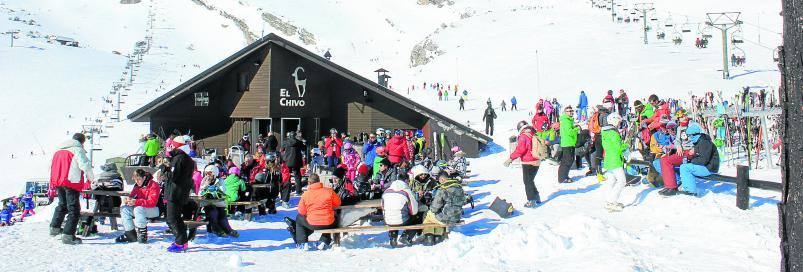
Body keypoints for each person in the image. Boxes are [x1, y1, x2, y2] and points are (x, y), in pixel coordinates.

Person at [49, 133, 94, 245]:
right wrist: (91, 179)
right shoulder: (77, 150)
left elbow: (50, 165)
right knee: (74, 209)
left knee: (62, 204)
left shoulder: (58, 149)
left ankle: (54, 228)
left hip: (58, 180)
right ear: (82, 142)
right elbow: (85, 166)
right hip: (71, 181)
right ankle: (68, 236)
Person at [284, 174, 341, 249]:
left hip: (312, 223)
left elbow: (301, 211)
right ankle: (324, 240)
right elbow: (338, 203)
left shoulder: (306, 194)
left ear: (309, 183)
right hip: (328, 222)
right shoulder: (329, 191)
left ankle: (302, 242)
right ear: (319, 181)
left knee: (299, 218)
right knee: (333, 218)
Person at [164, 136, 196, 253]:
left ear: (176, 146)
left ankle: (181, 242)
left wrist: (164, 169)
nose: (170, 147)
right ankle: (182, 241)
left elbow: (173, 176)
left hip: (175, 192)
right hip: (181, 192)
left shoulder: (178, 158)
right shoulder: (188, 159)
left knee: (172, 218)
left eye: (171, 145)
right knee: (176, 218)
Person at [504, 121, 543, 207]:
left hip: (528, 162)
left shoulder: (523, 136)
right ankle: (536, 197)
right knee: (530, 180)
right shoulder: (533, 133)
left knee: (527, 181)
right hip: (537, 161)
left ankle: (531, 200)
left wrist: (510, 159)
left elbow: (520, 150)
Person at [674, 123, 719, 196]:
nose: (689, 138)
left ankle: (690, 190)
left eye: (689, 136)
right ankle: (687, 187)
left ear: (693, 135)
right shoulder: (699, 141)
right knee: (685, 166)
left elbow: (703, 160)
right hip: (707, 166)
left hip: (709, 168)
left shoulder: (704, 142)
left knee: (685, 167)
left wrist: (692, 160)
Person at [117, 169, 161, 243]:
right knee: (124, 209)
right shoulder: (137, 186)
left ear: (144, 178)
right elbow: (132, 196)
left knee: (138, 209)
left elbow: (152, 203)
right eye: (135, 180)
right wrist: (128, 200)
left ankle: (142, 234)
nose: (137, 182)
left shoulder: (154, 185)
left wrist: (136, 202)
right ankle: (130, 234)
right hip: (142, 209)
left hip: (155, 209)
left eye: (139, 179)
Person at [421, 173, 465, 246]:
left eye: (439, 181)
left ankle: (429, 237)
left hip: (447, 218)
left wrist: (430, 206)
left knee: (428, 215)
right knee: (438, 216)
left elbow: (434, 208)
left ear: (442, 179)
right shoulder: (459, 187)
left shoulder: (443, 189)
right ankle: (438, 236)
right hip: (457, 216)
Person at [198, 165, 239, 237]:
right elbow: (200, 192)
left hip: (219, 202)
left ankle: (227, 229)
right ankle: (216, 229)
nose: (207, 175)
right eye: (206, 173)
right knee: (213, 212)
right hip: (207, 203)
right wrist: (206, 186)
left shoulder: (220, 180)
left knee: (222, 214)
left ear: (214, 173)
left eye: (209, 173)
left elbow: (223, 191)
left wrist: (216, 190)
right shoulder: (204, 180)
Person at [601, 114, 628, 212]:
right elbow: (618, 148)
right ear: (615, 121)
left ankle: (609, 201)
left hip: (608, 159)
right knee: (622, 181)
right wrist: (626, 145)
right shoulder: (614, 133)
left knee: (611, 181)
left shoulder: (605, 132)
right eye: (619, 122)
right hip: (615, 160)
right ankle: (612, 201)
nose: (619, 124)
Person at [382, 178, 419, 247]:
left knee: (393, 217)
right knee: (417, 218)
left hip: (388, 220)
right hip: (402, 220)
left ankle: (393, 237)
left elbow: (383, 207)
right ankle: (406, 236)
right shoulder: (406, 192)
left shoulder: (386, 192)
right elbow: (414, 211)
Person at [558, 107, 580, 183]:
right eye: (569, 111)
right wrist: (577, 129)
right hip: (567, 143)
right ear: (565, 112)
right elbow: (569, 132)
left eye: (572, 111)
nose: (571, 112)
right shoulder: (566, 120)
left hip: (569, 142)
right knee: (568, 161)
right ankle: (563, 177)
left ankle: (563, 176)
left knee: (567, 160)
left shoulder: (568, 120)